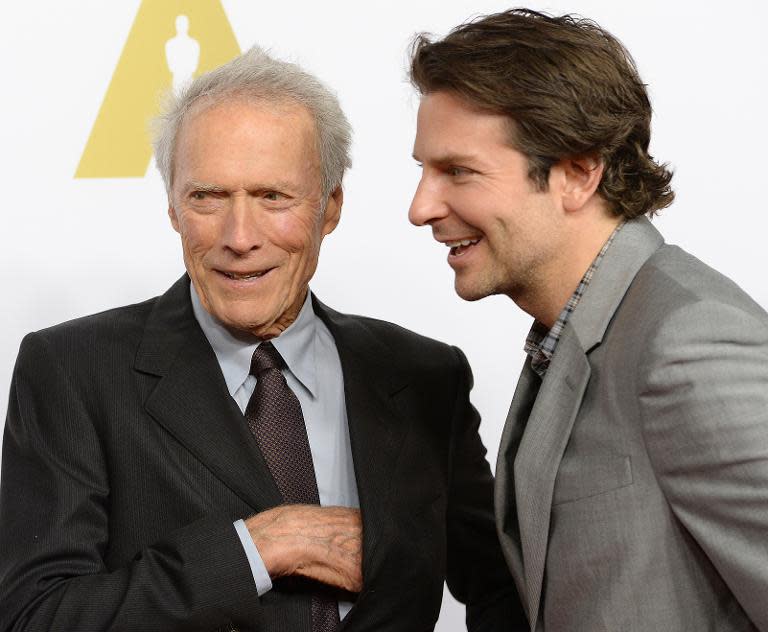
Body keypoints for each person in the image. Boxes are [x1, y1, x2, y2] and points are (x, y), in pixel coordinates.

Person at [0, 47, 522, 631]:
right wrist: (257, 548)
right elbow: (33, 617)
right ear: (173, 206)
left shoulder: (427, 376)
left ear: (330, 208)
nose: (239, 237)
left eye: (273, 197)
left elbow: (506, 592)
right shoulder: (73, 370)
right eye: (208, 197)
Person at [408, 8, 768, 632]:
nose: (421, 207)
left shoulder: (685, 341)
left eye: (458, 171)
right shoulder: (573, 332)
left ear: (578, 173)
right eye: (423, 169)